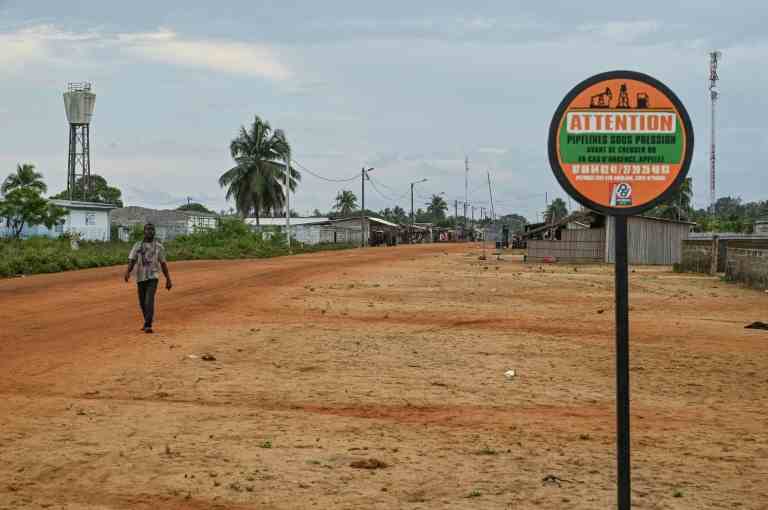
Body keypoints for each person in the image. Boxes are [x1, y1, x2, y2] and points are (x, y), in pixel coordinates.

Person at [124, 223, 172, 333]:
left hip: (153, 277)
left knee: (149, 300)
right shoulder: (137, 245)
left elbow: (163, 264)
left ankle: (148, 324)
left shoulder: (159, 247)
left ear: (154, 232)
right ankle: (147, 320)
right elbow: (132, 260)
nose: (150, 232)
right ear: (144, 232)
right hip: (140, 277)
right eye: (148, 229)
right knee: (142, 302)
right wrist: (127, 272)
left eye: (152, 230)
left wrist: (168, 279)